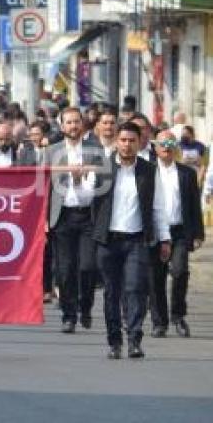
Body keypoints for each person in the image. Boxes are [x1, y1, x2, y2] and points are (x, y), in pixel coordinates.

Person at [92, 121, 164, 360]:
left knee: (134, 289)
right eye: (123, 140)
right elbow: (87, 199)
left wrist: (164, 239)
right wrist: (79, 178)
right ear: (116, 142)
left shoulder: (149, 170)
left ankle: (134, 339)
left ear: (139, 142)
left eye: (132, 140)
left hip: (136, 240)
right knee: (112, 292)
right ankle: (114, 341)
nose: (127, 145)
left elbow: (158, 208)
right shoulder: (102, 168)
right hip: (108, 241)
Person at [45, 107, 101, 333]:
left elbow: (102, 183)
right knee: (65, 269)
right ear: (62, 126)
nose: (73, 126)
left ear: (83, 124)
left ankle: (85, 306)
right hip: (62, 217)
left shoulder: (94, 150)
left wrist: (82, 180)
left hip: (88, 216)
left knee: (87, 267)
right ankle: (68, 315)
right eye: (68, 123)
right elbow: (43, 187)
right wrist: (43, 220)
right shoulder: (51, 151)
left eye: (77, 122)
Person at [149, 129, 204, 338]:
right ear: (156, 148)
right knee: (156, 278)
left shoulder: (187, 174)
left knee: (180, 272)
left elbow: (194, 205)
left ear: (176, 148)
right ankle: (159, 321)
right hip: (155, 232)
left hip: (179, 231)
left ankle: (178, 316)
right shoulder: (148, 171)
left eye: (171, 144)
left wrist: (198, 233)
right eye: (163, 144)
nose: (167, 148)